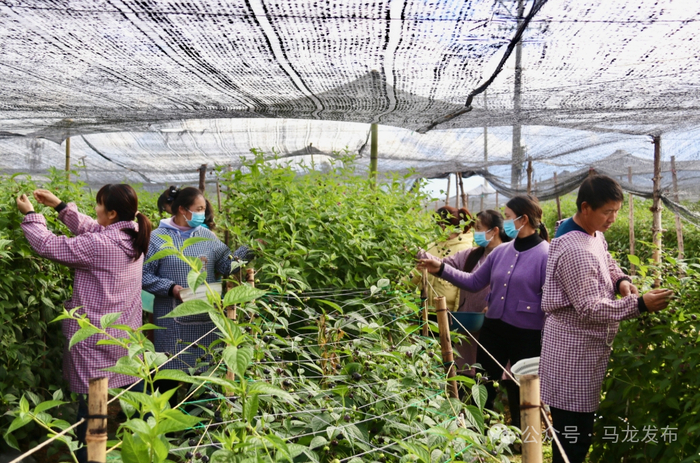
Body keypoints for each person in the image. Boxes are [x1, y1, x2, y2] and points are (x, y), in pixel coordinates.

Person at [540, 175, 673, 463]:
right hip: (572, 354)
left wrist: (621, 280)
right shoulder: (575, 250)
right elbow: (590, 308)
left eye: (616, 211)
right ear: (585, 207)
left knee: (574, 434)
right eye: (607, 212)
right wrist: (640, 304)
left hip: (581, 349)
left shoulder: (590, 231)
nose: (612, 219)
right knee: (573, 440)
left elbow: (606, 259)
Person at [16, 185, 151, 463]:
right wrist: (60, 206)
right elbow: (93, 227)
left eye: (99, 204)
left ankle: (89, 458)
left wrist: (31, 215)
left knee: (92, 412)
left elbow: (48, 245)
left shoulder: (100, 245)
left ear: (112, 213)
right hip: (124, 335)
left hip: (93, 340)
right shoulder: (135, 235)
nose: (96, 209)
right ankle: (148, 447)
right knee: (137, 400)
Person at [418, 195, 549, 429]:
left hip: (527, 334)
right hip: (494, 329)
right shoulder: (501, 252)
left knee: (522, 389)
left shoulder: (546, 254)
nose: (506, 222)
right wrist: (441, 268)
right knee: (482, 383)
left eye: (508, 217)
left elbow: (549, 298)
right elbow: (474, 282)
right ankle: (478, 432)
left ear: (523, 219)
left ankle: (525, 437)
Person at [142, 187, 251, 396]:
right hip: (171, 323)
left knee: (204, 379)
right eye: (198, 209)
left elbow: (226, 266)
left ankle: (199, 418)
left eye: (203, 209)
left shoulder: (207, 236)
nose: (203, 213)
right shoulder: (157, 238)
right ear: (182, 210)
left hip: (205, 321)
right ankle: (165, 416)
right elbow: (143, 275)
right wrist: (171, 288)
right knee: (167, 375)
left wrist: (249, 250)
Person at [418, 210, 510, 376]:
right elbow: (443, 265)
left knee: (493, 371)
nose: (475, 232)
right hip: (468, 322)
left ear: (494, 231)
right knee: (467, 368)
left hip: (496, 324)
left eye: (479, 228)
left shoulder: (509, 257)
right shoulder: (470, 255)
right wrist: (417, 252)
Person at [412, 206, 473, 311]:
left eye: (439, 225)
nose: (437, 229)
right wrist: (400, 287)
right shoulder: (433, 245)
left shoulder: (465, 249)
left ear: (446, 226)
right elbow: (418, 271)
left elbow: (463, 287)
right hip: (426, 309)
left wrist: (458, 312)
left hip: (448, 311)